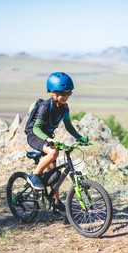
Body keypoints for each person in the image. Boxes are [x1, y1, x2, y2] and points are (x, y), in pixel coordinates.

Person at [26, 72, 88, 215]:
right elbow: (36, 128)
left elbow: (68, 126)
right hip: (34, 135)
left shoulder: (65, 108)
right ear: (53, 94)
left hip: (46, 137)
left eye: (69, 93)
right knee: (54, 152)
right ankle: (34, 176)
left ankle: (55, 203)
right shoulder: (45, 107)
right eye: (62, 93)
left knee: (54, 173)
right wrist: (48, 140)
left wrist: (79, 137)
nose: (66, 96)